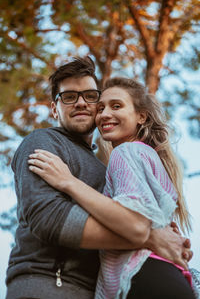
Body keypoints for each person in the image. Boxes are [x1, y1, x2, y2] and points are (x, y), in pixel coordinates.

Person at [6, 57, 192, 299]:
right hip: (50, 285)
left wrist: (157, 227)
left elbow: (129, 215)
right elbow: (48, 217)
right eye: (70, 96)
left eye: (90, 96)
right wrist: (149, 237)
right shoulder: (44, 142)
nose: (81, 102)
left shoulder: (110, 164)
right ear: (54, 108)